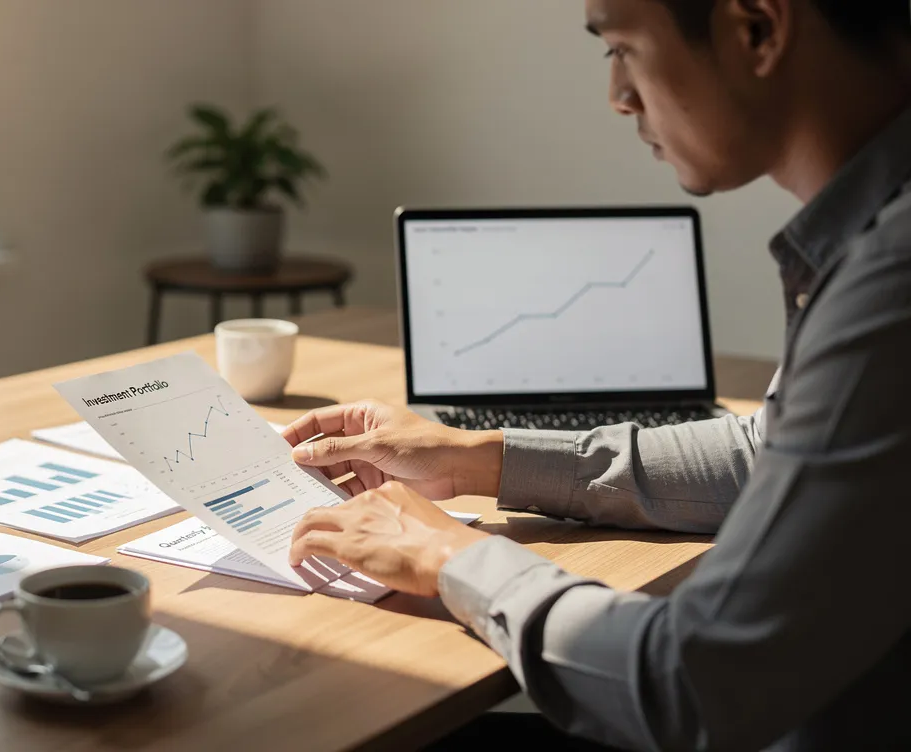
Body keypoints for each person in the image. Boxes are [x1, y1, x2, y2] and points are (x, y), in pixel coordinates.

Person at [284, 0, 911, 749]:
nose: (618, 93)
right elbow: (763, 452)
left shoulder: (890, 283)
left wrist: (447, 556)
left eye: (621, 47)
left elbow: (695, 683)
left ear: (757, 29)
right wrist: (477, 458)